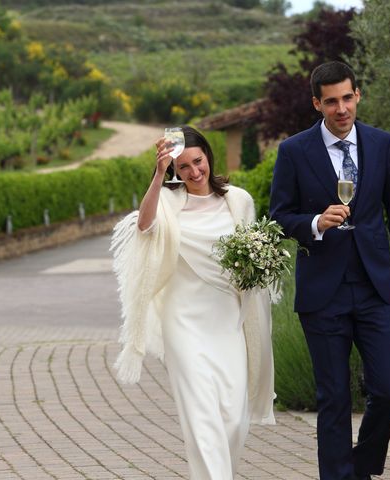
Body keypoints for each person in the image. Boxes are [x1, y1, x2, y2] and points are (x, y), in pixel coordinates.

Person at [269, 61, 390, 480]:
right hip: (324, 293)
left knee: (389, 391)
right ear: (317, 103)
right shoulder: (294, 151)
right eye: (331, 101)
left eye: (348, 98)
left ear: (358, 95)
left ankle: (360, 467)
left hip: (375, 287)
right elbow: (279, 216)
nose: (341, 109)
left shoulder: (380, 143)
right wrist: (316, 223)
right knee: (334, 398)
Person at [111, 126, 275, 479]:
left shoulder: (238, 200)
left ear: (209, 157)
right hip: (184, 321)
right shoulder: (168, 200)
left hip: (228, 318)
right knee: (201, 416)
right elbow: (143, 227)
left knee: (233, 416)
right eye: (182, 167)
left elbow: (252, 261)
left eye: (197, 161)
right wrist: (158, 175)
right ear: (174, 171)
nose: (193, 172)